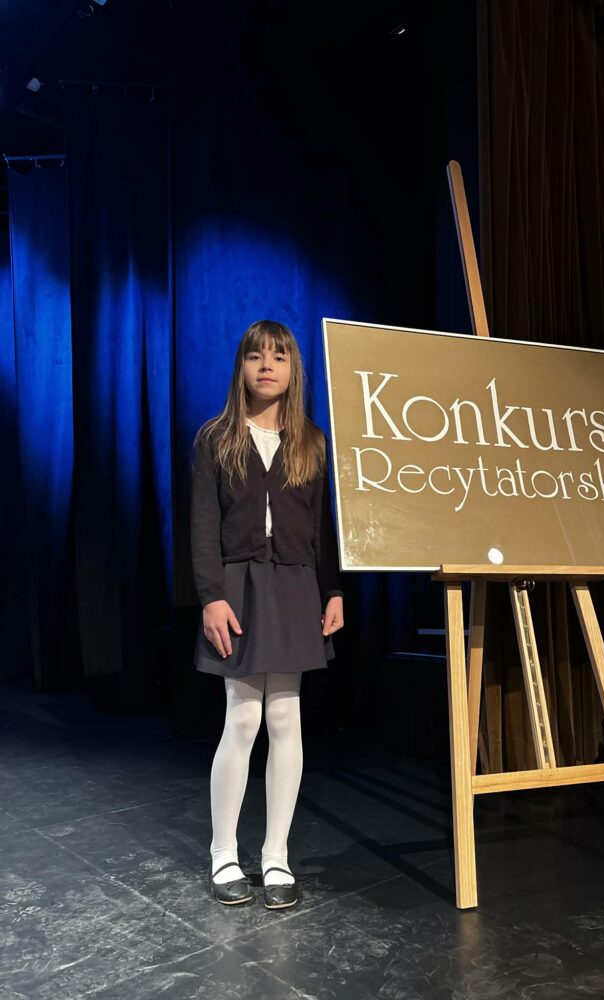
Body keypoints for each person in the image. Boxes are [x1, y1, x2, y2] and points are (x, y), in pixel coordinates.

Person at [190, 319, 344, 910]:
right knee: (243, 718)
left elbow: (324, 528)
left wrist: (332, 590)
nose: (266, 366)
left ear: (293, 369)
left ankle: (275, 856)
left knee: (285, 716)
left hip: (296, 586)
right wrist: (212, 596)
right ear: (241, 367)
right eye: (255, 356)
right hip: (239, 586)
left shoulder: (312, 442)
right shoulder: (217, 439)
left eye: (278, 356)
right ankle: (223, 853)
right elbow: (203, 526)